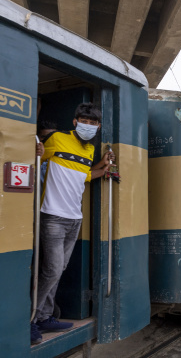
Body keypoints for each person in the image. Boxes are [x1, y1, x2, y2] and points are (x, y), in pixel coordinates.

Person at [31, 103, 116, 344]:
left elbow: (85, 175)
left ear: (98, 126)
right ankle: (30, 319)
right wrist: (36, 151)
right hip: (52, 215)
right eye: (84, 121)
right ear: (75, 121)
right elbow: (37, 160)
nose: (88, 126)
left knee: (58, 270)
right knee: (52, 269)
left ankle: (45, 317)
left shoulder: (89, 149)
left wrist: (104, 165)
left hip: (74, 219)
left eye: (93, 123)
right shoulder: (57, 139)